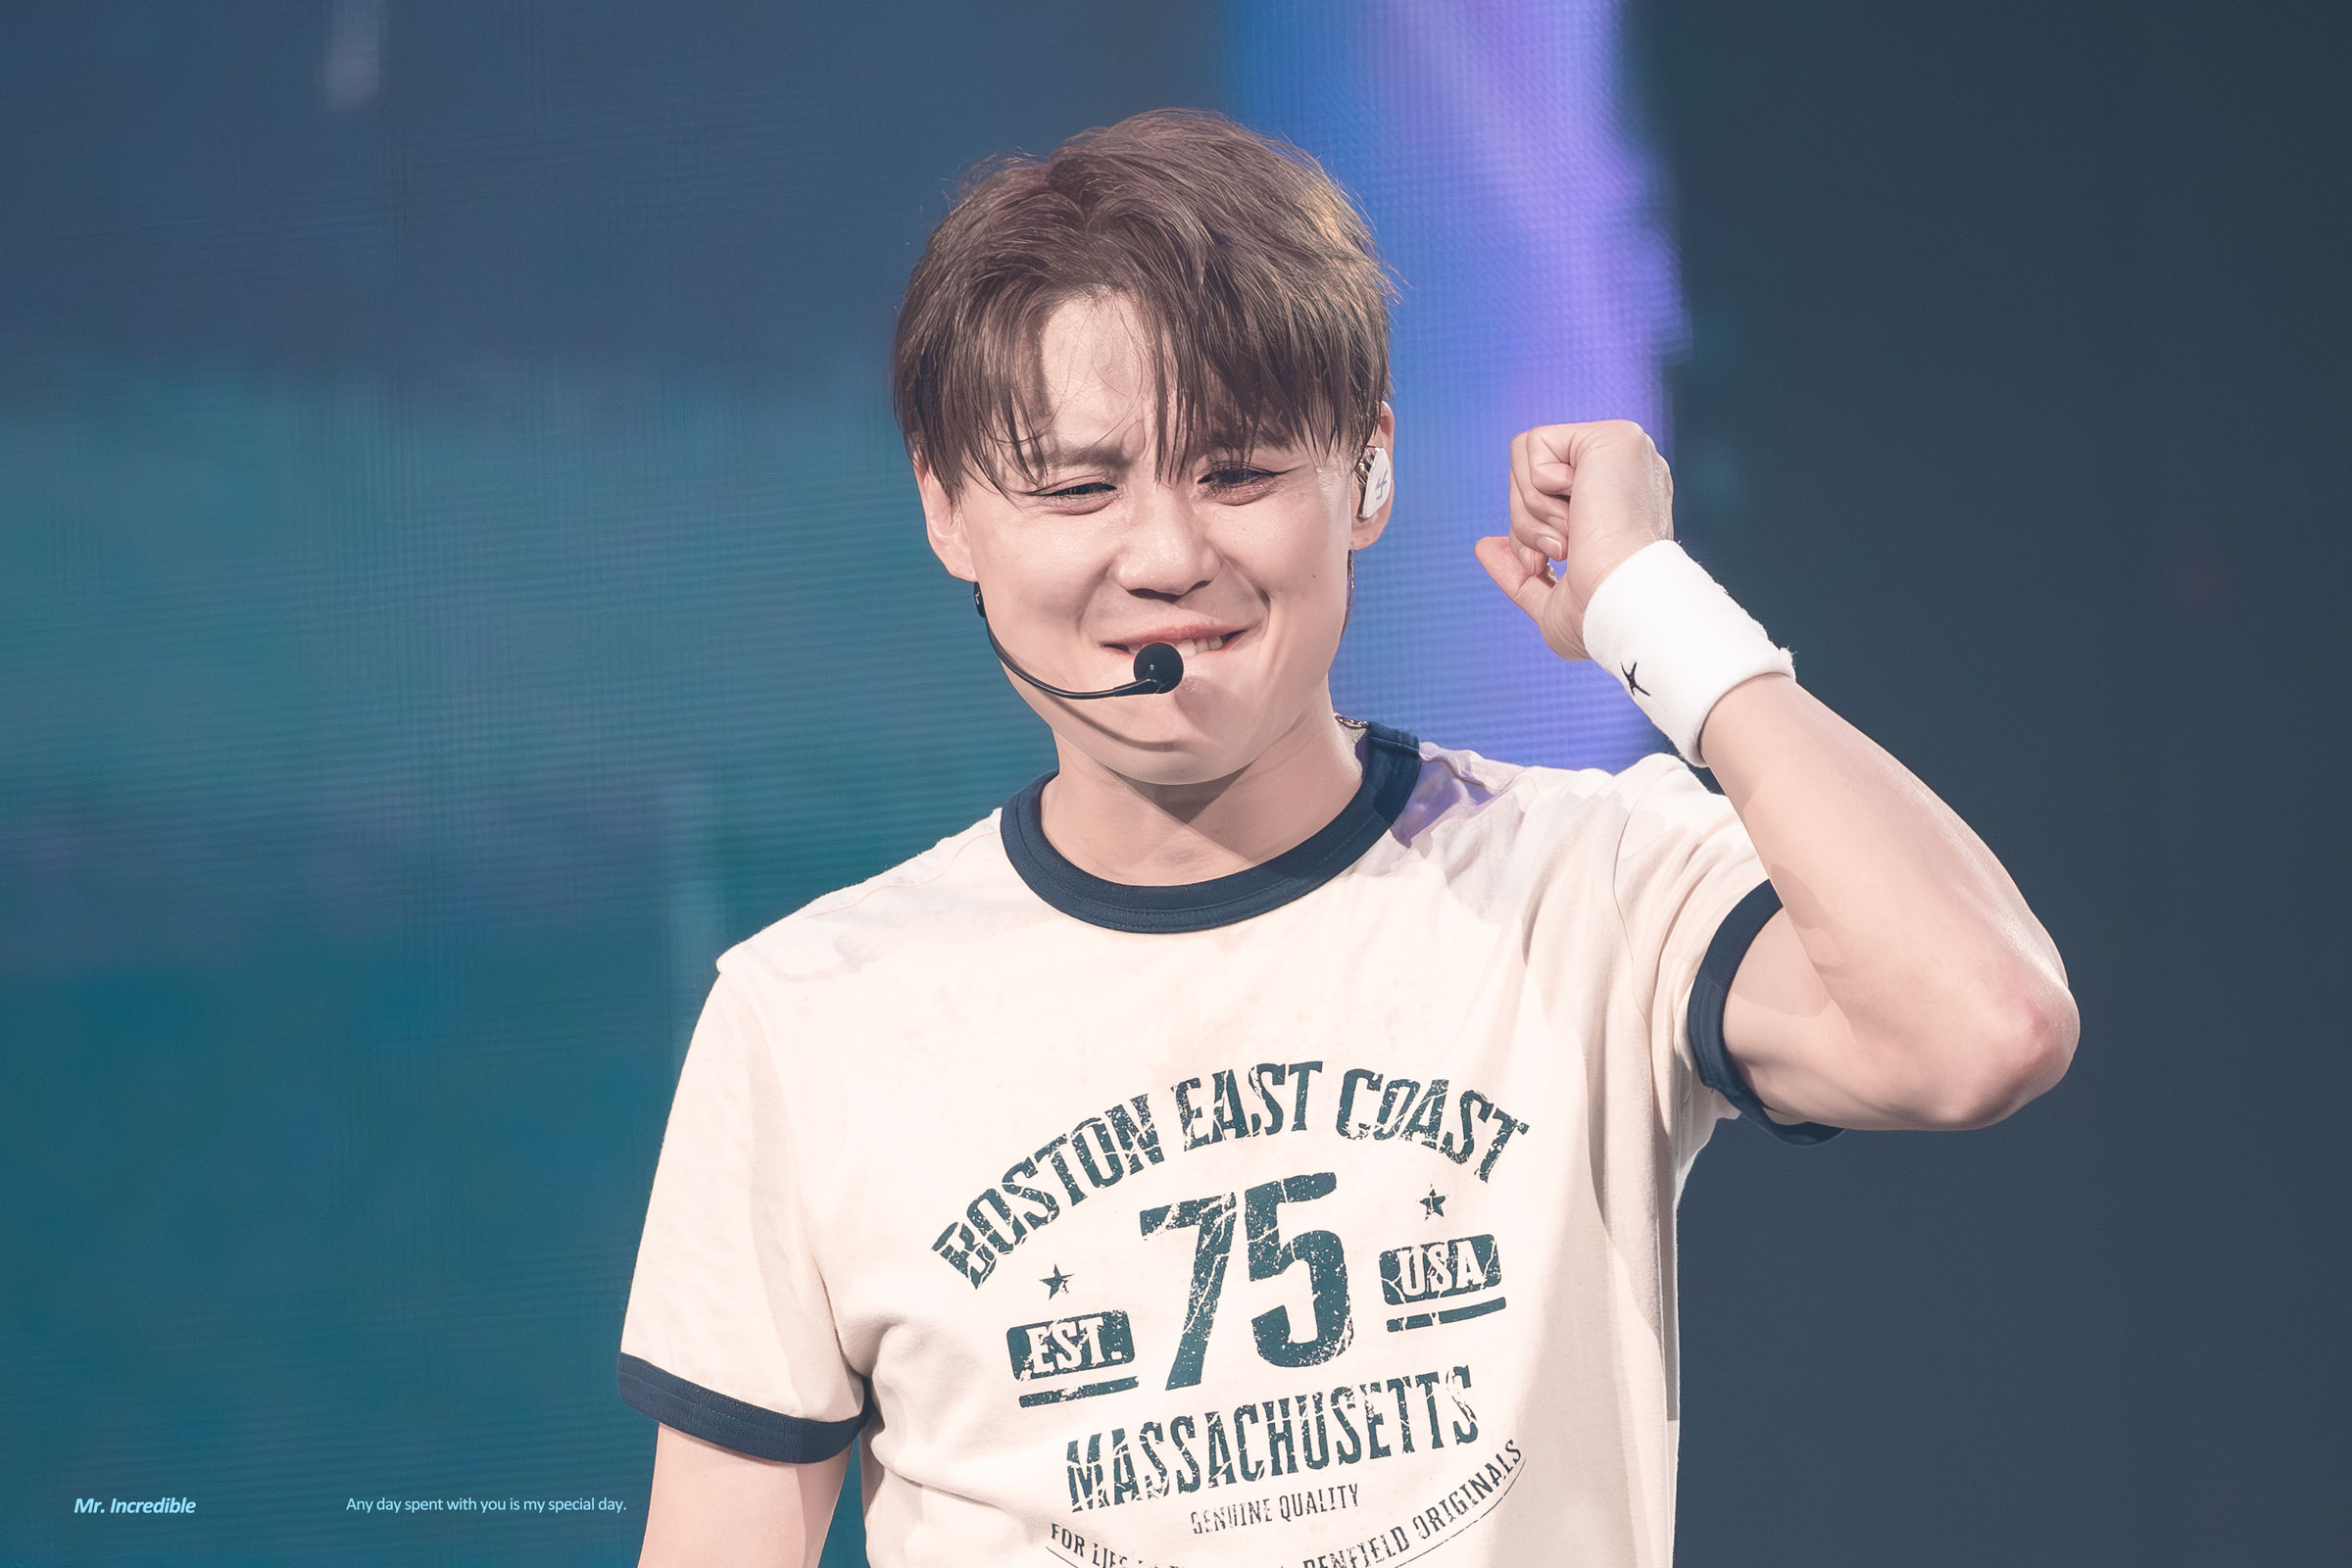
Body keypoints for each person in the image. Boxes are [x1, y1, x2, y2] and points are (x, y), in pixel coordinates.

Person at [615, 108, 2076, 1568]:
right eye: (1076, 486)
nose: (1167, 556)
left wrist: (1652, 607)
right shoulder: (809, 1018)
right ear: (947, 509)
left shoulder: (1583, 882)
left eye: (1238, 472)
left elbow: (1983, 1025)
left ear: (1367, 472)